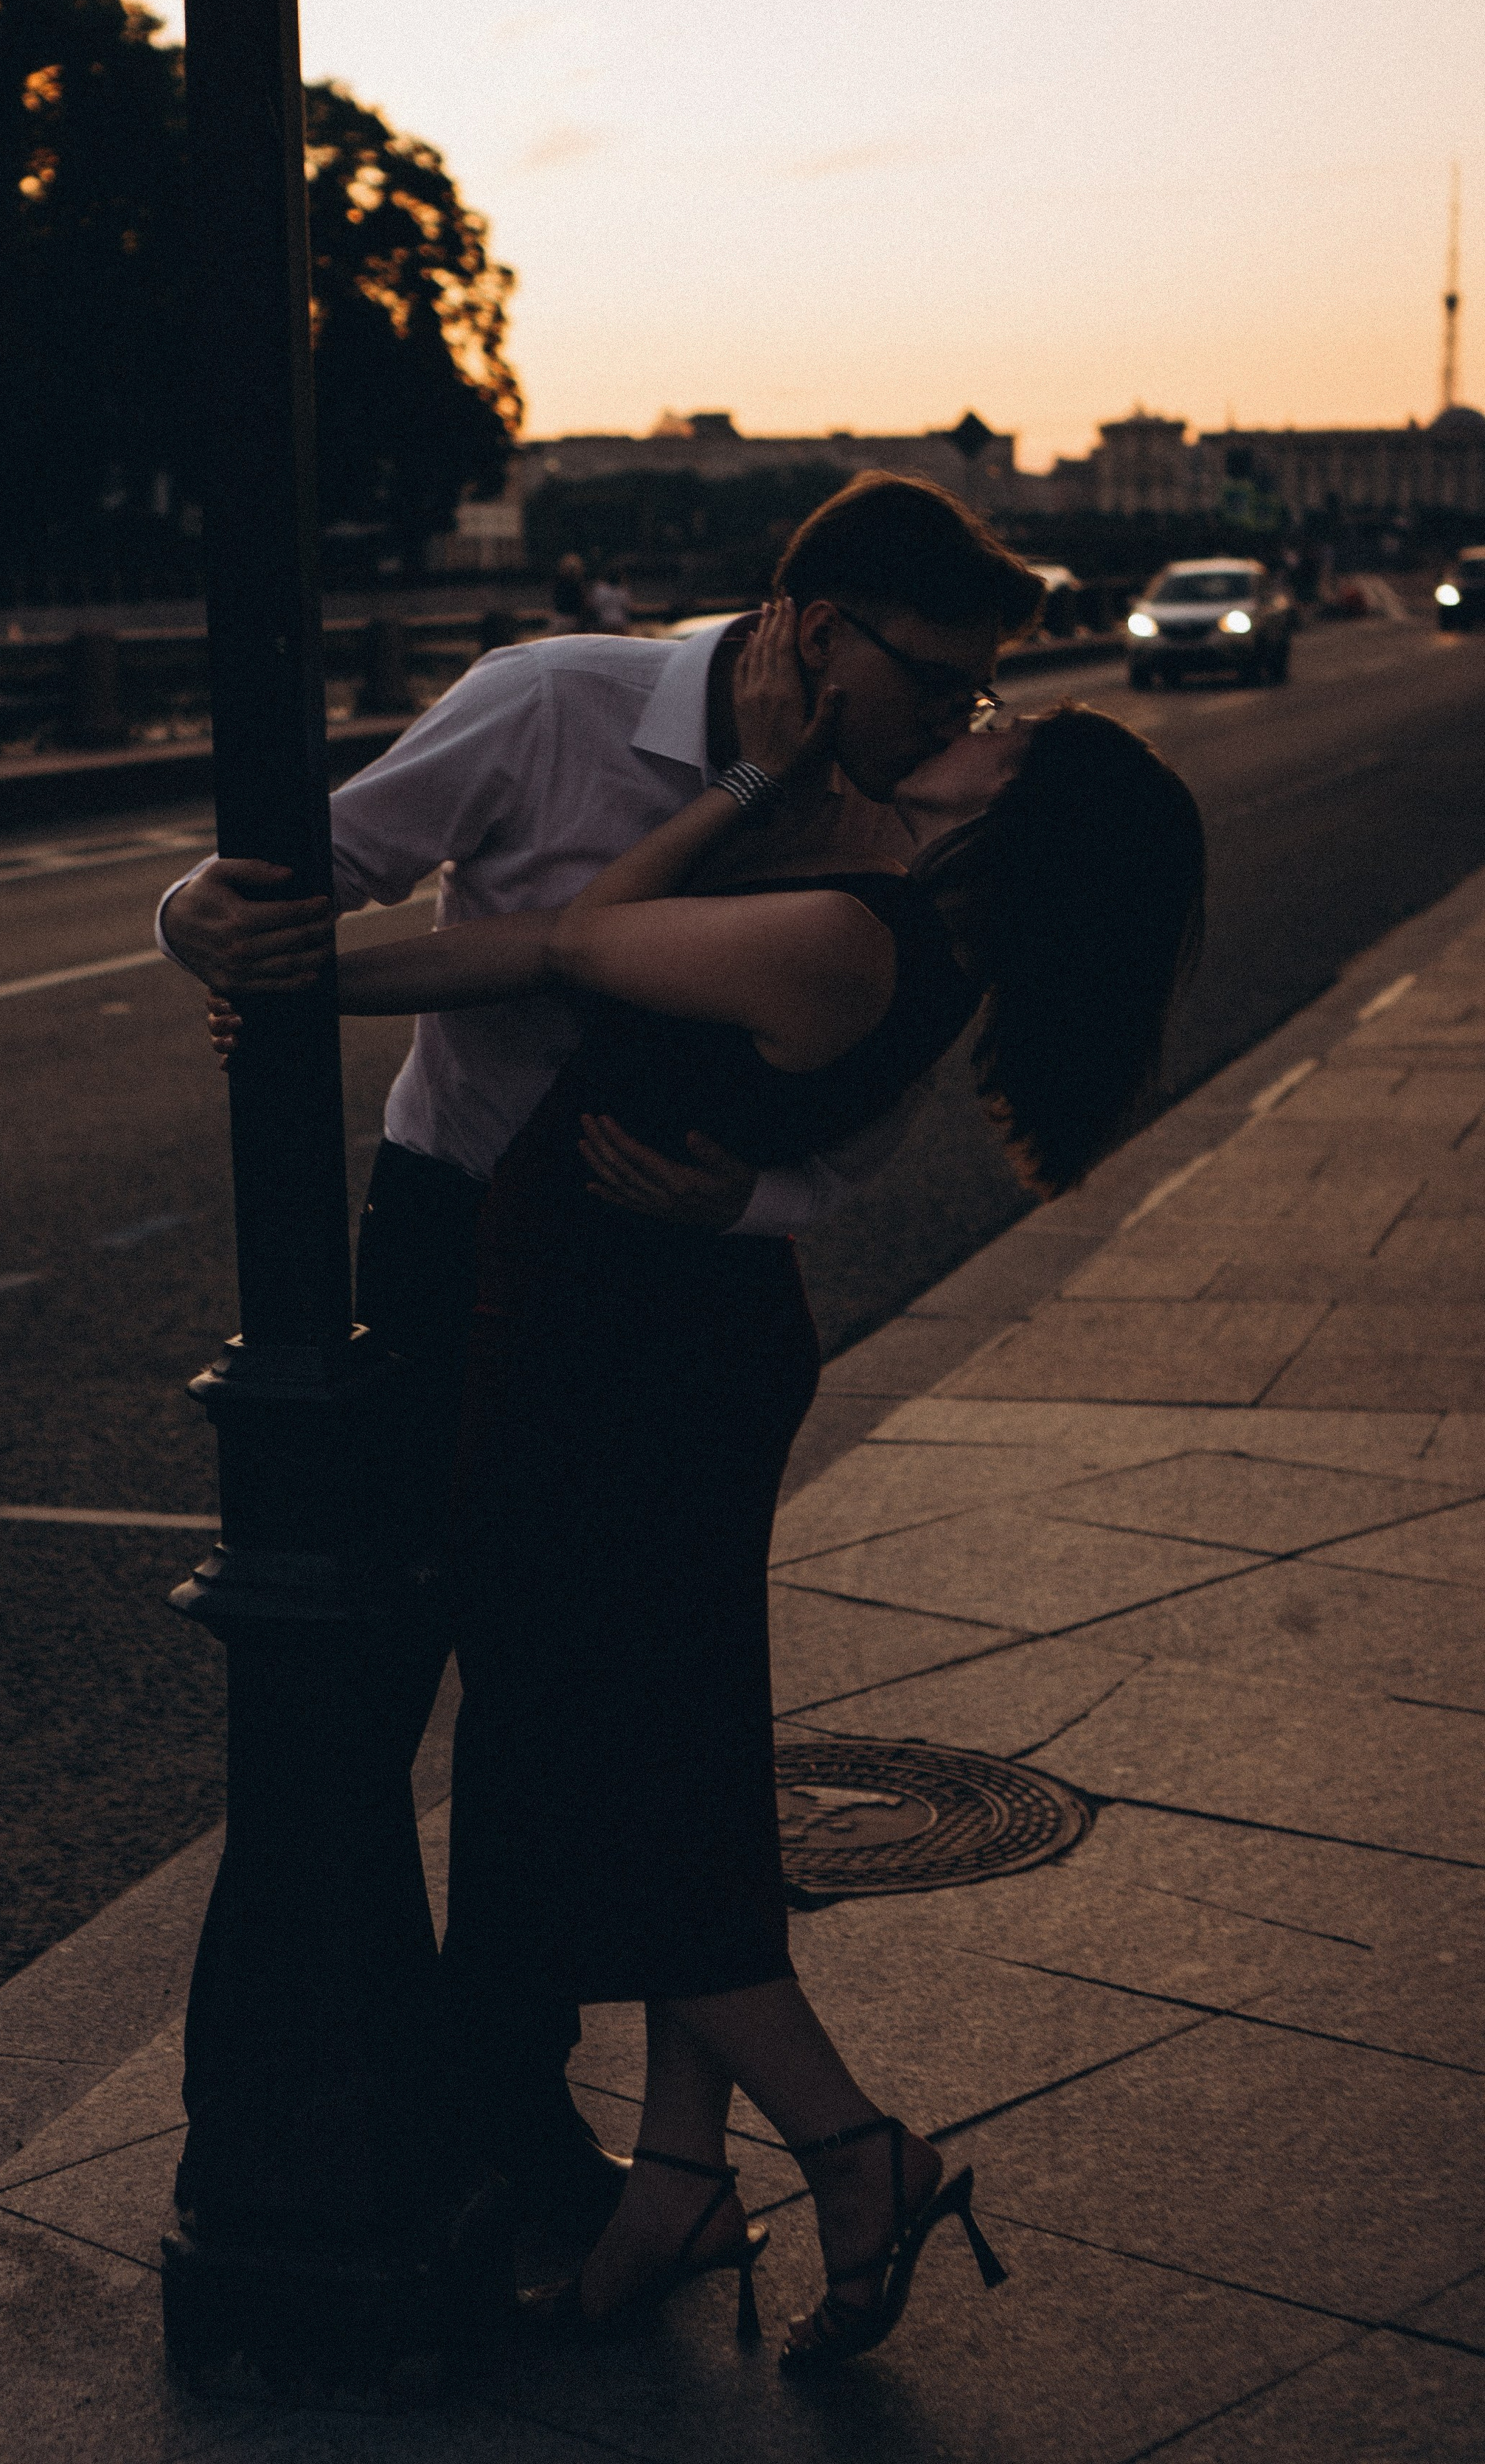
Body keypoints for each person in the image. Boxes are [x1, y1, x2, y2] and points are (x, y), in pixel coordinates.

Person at [209, 603, 1205, 2367]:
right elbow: (566, 950)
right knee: (671, 1766)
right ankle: (677, 2178)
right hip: (646, 1346)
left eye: (1004, 729)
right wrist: (308, 983)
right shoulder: (879, 920)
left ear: (1009, 804)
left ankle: (852, 2149)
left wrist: (737, 780)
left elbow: (579, 941)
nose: (971, 724)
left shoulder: (842, 931)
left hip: (626, 1374)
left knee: (609, 1775)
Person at [158, 473, 1044, 2238]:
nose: (951, 719)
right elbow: (288, 877)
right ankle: (288, 2129)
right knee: (363, 1696)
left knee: (560, 1735)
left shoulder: (869, 818)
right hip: (447, 1241)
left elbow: (857, 1127)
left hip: (648, 1298)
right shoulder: (550, 699)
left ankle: (522, 2132)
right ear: (810, 625)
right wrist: (199, 920)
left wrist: (745, 1194)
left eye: (972, 697)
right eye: (931, 680)